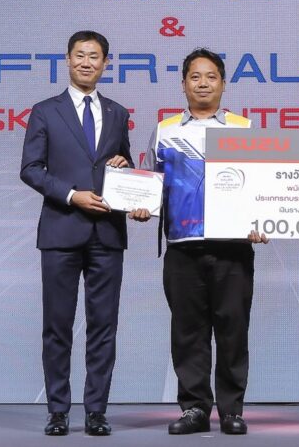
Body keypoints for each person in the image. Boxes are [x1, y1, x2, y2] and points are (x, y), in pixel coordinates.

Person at [19, 30, 148, 437]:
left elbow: (123, 164)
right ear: (68, 59)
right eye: (80, 55)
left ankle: (96, 411)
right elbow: (30, 169)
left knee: (103, 327)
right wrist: (72, 195)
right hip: (61, 231)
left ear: (106, 63)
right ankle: (58, 410)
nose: (86, 62)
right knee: (57, 326)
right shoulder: (45, 111)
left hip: (107, 234)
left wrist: (126, 168)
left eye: (94, 56)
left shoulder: (117, 112)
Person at [142, 48, 268, 436]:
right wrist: (140, 204)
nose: (202, 83)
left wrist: (261, 221)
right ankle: (195, 408)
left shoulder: (243, 128)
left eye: (211, 76)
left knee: (233, 330)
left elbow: (261, 185)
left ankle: (232, 411)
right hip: (182, 247)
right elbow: (149, 181)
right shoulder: (164, 130)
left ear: (223, 84)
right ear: (183, 84)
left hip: (233, 248)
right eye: (195, 77)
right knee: (188, 333)